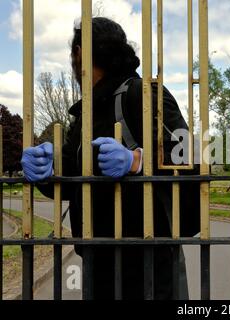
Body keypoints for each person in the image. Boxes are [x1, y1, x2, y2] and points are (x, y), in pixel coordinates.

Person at [20, 17, 200, 299]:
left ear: (81, 53)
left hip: (151, 262)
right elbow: (70, 181)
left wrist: (136, 161)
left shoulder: (143, 94)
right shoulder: (85, 114)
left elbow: (191, 159)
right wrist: (48, 166)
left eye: (75, 54)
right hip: (96, 259)